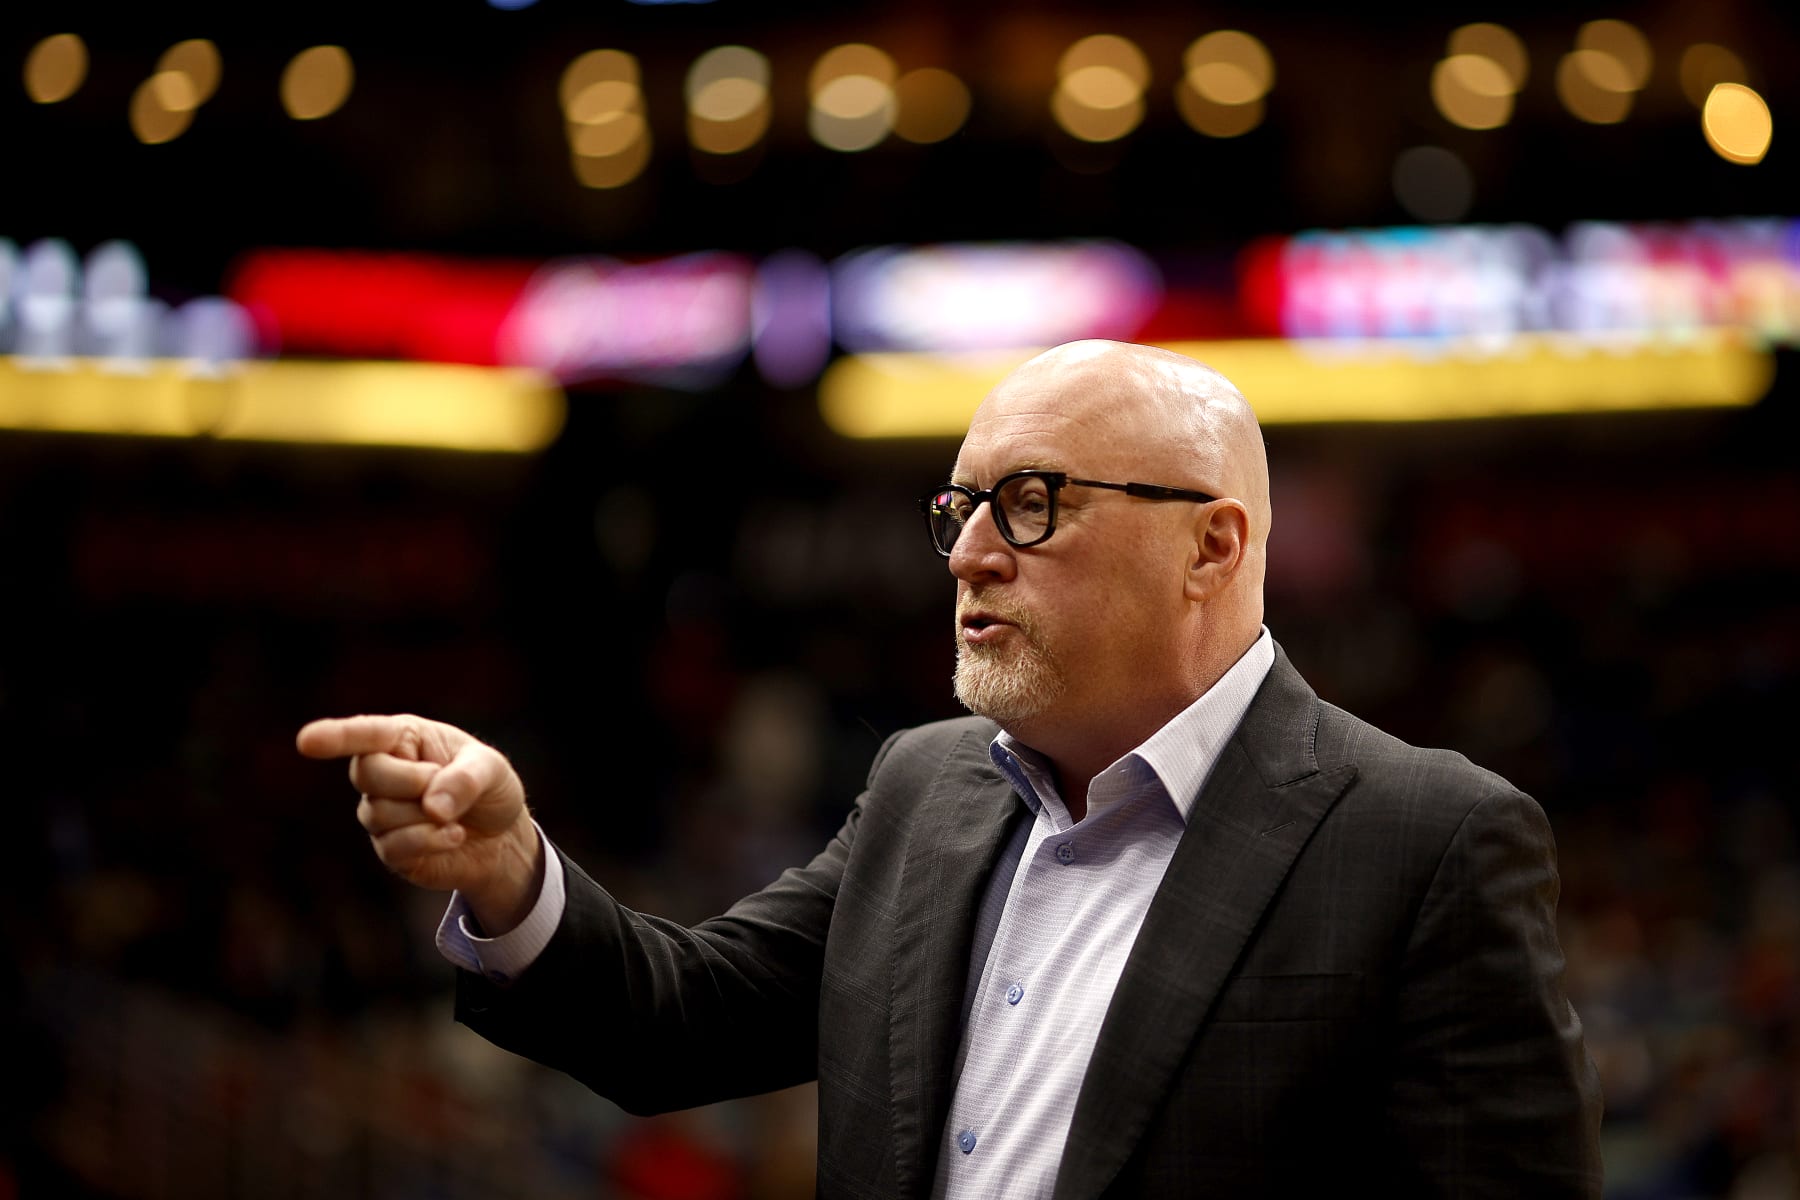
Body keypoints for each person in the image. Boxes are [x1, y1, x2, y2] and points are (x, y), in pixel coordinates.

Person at [299, 340, 1603, 1197]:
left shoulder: (1429, 840)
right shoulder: (927, 788)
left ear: (1211, 547)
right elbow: (676, 1019)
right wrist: (513, 872)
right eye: (960, 508)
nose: (972, 551)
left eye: (1032, 503)